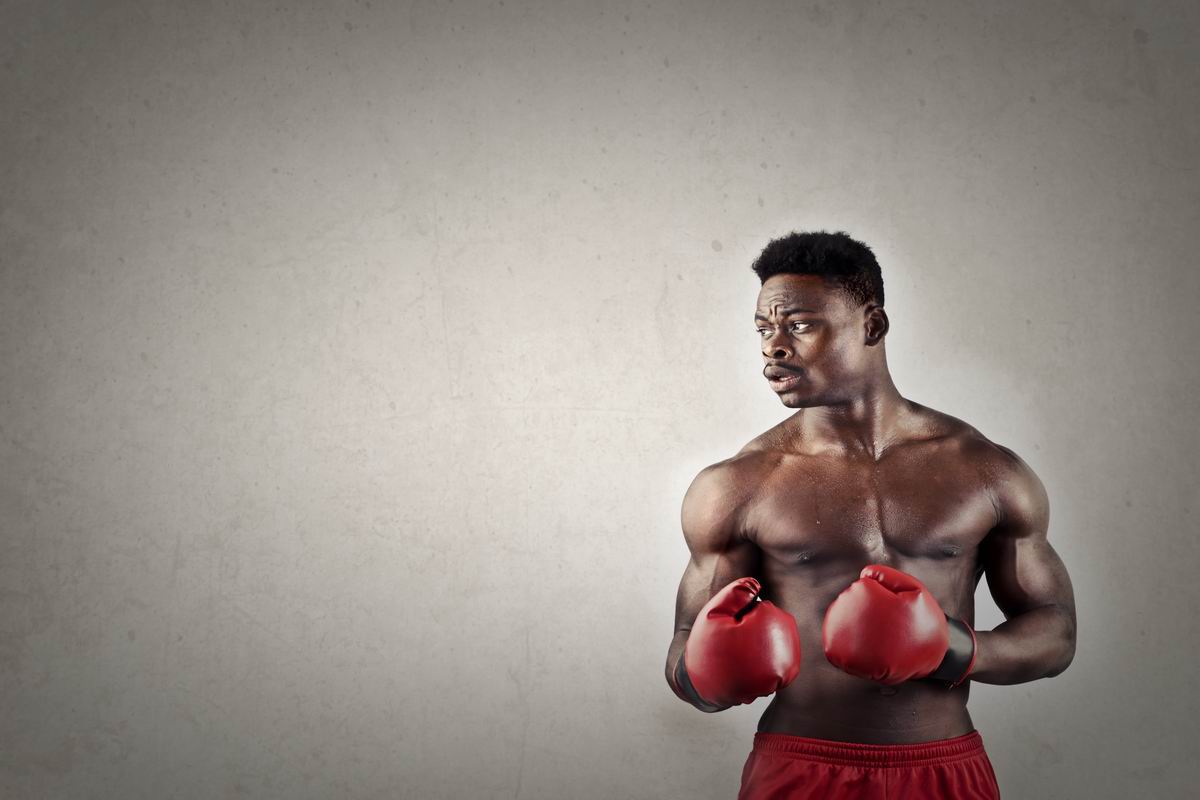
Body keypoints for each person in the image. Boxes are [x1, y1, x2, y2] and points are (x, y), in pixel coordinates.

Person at [664, 231, 1076, 799]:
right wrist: (704, 674)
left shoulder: (985, 471)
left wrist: (951, 649)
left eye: (800, 325)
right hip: (800, 769)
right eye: (764, 328)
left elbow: (1055, 634)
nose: (774, 347)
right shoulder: (739, 485)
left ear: (873, 326)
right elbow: (685, 663)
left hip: (943, 770)